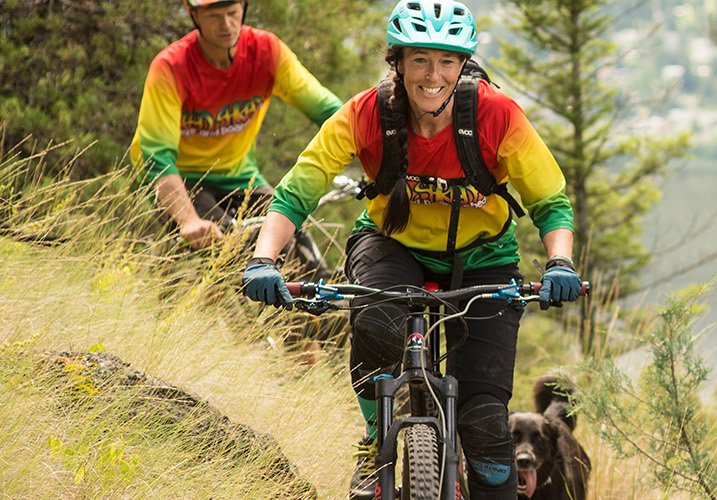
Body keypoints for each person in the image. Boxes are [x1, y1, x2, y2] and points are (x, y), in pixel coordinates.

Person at [239, 0, 583, 498]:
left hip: (483, 256)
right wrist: (263, 259)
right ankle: (375, 440)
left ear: (464, 65)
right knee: (376, 327)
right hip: (391, 245)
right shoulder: (365, 113)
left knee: (486, 425)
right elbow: (296, 193)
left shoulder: (497, 116)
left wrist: (559, 262)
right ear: (396, 61)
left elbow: (551, 203)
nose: (433, 75)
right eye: (420, 59)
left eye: (447, 61)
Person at [130, 0, 343, 249]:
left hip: (239, 175)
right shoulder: (171, 67)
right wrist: (189, 221)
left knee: (291, 237)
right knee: (232, 250)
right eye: (214, 16)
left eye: (232, 13)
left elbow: (327, 110)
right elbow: (156, 157)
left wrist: (371, 139)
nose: (226, 25)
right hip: (180, 178)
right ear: (194, 15)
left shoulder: (266, 51)